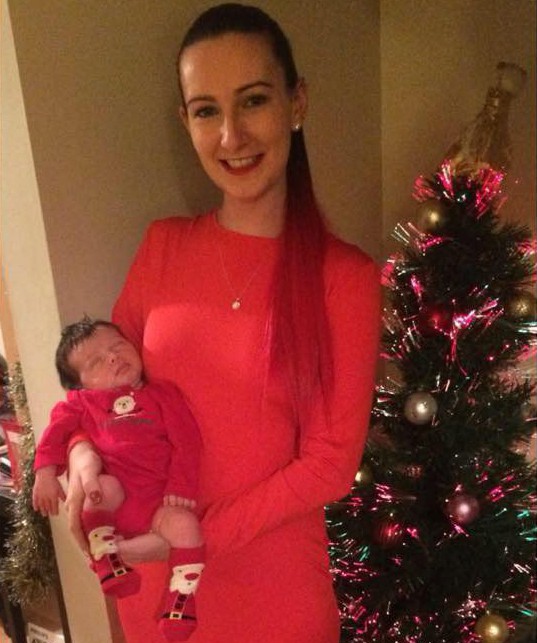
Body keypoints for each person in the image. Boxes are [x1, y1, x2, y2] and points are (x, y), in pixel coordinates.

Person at [66, 3, 381, 642]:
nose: (231, 136)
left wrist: (192, 538)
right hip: (155, 591)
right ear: (186, 121)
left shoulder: (343, 277)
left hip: (272, 599)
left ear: (296, 102)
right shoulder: (163, 245)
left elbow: (328, 465)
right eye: (207, 110)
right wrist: (78, 464)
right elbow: (98, 388)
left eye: (254, 101)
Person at [33, 318, 204, 641]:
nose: (113, 357)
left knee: (186, 526)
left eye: (118, 347)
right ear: (80, 385)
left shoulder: (163, 395)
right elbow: (55, 435)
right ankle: (107, 559)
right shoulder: (82, 404)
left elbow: (187, 441)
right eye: (96, 361)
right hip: (115, 502)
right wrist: (45, 473)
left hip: (160, 504)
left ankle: (180, 601)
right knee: (101, 488)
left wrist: (181, 486)